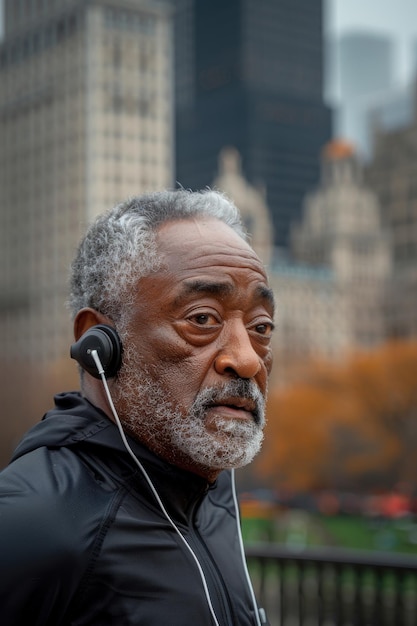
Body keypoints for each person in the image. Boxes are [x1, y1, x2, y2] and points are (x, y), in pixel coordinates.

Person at [0, 189, 275, 625]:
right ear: (99, 343)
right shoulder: (29, 522)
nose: (247, 359)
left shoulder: (213, 494)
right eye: (202, 319)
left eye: (261, 327)